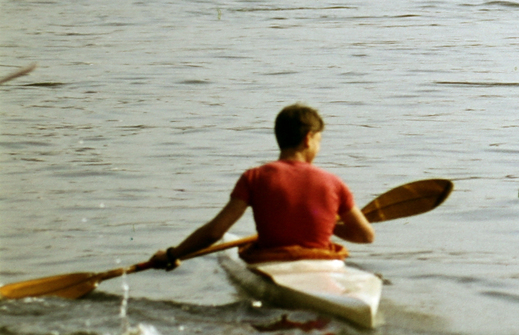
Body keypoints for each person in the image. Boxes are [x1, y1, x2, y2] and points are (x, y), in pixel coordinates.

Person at [148, 104, 375, 269]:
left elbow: (215, 231)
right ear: (308, 139)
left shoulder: (254, 177)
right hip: (322, 264)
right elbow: (365, 236)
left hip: (271, 263)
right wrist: (325, 223)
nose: (319, 147)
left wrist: (172, 254)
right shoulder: (334, 182)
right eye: (319, 141)